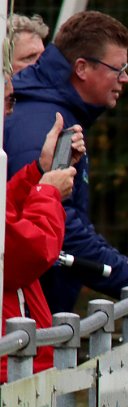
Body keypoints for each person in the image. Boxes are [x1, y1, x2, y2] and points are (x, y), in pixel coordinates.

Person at [5, 10, 128, 317]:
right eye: (118, 69)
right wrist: (123, 276)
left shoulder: (57, 113)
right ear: (81, 68)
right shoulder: (43, 123)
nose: (125, 78)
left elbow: (60, 218)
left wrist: (117, 266)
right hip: (22, 319)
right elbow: (53, 225)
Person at [2, 52, 83, 382]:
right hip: (10, 362)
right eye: (8, 100)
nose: (10, 111)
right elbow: (22, 253)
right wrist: (48, 192)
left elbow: (6, 212)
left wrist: (39, 171)